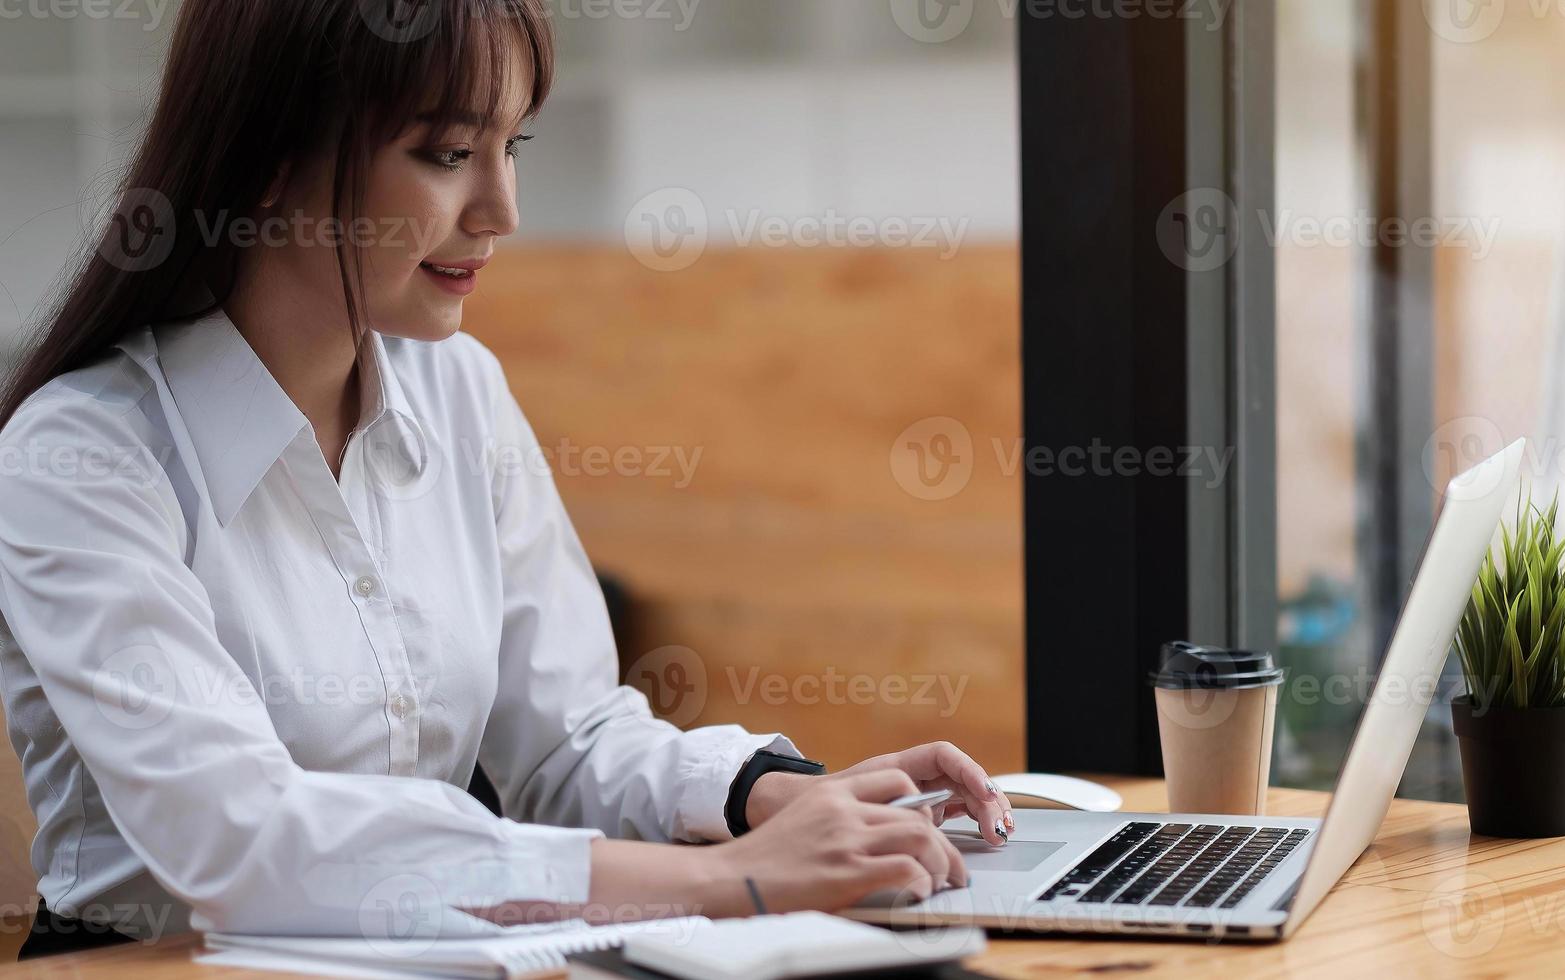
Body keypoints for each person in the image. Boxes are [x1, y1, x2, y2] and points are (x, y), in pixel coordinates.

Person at [0, 0, 1012, 956]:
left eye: (510, 145)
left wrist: (762, 792)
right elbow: (247, 843)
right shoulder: (80, 459)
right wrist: (735, 879)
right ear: (269, 161)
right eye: (446, 154)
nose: (502, 208)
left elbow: (565, 740)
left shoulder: (457, 388)